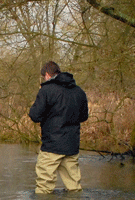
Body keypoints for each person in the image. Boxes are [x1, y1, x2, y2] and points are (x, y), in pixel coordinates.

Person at [28, 61, 89, 194]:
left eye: (44, 76)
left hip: (52, 146)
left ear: (48, 75)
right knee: (74, 187)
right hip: (72, 145)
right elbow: (84, 117)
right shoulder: (79, 92)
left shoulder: (46, 90)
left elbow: (34, 115)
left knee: (44, 187)